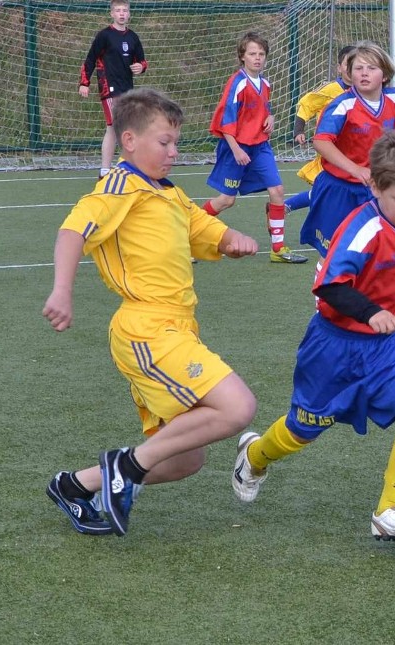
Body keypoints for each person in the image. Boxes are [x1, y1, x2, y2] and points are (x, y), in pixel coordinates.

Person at [43, 88, 259, 537]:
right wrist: (63, 290)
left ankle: (75, 485)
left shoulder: (168, 193)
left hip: (178, 328)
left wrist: (230, 239)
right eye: (164, 142)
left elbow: (203, 229)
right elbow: (73, 230)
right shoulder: (120, 186)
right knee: (238, 407)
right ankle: (126, 466)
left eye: (176, 143)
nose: (173, 152)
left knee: (184, 458)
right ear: (129, 140)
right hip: (147, 329)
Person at [232, 128, 395, 541]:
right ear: (376, 187)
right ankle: (255, 455)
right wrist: (371, 313)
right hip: (335, 346)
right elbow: (329, 287)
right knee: (302, 430)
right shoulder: (361, 229)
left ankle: (389, 511)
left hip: (391, 345)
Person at [299, 41, 395, 260]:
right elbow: (321, 142)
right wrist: (355, 169)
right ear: (350, 74)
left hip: (376, 188)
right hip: (339, 188)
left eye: (371, 68)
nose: (364, 73)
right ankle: (326, 293)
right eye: (358, 68)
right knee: (334, 253)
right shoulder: (342, 105)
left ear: (384, 75)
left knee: (378, 248)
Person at [202, 32, 307, 264]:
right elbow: (225, 119)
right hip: (236, 148)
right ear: (242, 57)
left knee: (278, 191)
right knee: (226, 201)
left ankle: (278, 249)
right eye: (252, 54)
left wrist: (270, 117)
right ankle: (189, 233)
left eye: (261, 54)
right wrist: (236, 149)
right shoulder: (237, 83)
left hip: (260, 147)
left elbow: (263, 109)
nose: (257, 58)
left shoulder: (265, 83)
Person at [284, 44, 356, 216]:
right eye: (348, 63)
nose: (353, 67)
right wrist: (298, 130)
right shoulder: (330, 90)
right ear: (339, 68)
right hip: (330, 151)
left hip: (353, 150)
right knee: (336, 192)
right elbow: (306, 105)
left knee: (333, 194)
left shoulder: (363, 91)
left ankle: (283, 208)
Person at [78, 0, 147, 179]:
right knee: (114, 126)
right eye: (118, 10)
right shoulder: (105, 35)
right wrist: (84, 83)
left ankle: (127, 166)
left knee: (127, 127)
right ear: (112, 14)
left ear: (129, 14)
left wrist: (140, 67)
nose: (122, 13)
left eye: (125, 10)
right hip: (109, 87)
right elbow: (90, 59)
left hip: (127, 88)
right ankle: (105, 170)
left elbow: (141, 61)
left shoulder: (133, 37)